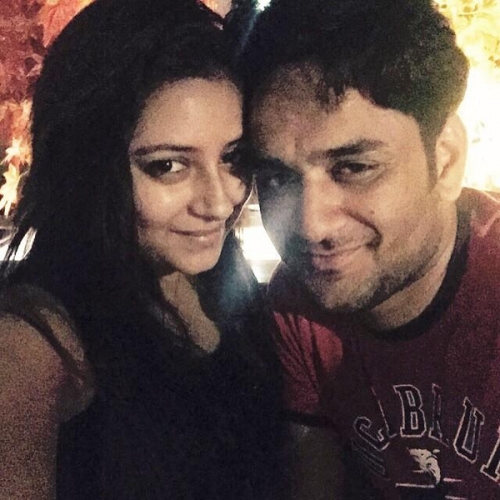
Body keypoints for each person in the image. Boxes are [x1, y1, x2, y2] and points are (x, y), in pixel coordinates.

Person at [0, 0, 288, 499]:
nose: (220, 202)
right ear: (86, 167)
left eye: (233, 157)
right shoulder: (33, 348)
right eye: (168, 166)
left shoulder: (220, 279)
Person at [240, 0, 500, 497]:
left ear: (446, 160)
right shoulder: (297, 305)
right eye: (276, 178)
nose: (312, 226)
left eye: (354, 168)